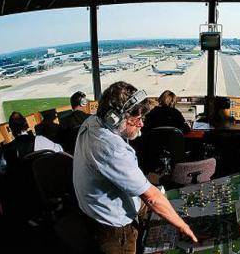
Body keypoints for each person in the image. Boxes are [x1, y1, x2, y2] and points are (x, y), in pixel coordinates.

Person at [73, 82, 197, 253]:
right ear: (114, 119)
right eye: (136, 119)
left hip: (92, 211)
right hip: (115, 229)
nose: (141, 125)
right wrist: (183, 226)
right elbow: (151, 198)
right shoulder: (112, 148)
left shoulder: (93, 120)